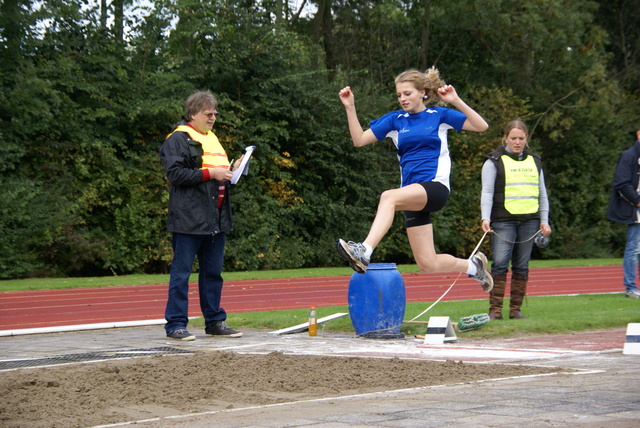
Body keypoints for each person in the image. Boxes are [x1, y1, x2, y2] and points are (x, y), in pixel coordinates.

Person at [335, 67, 493, 293]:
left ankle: (365, 251)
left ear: (423, 92)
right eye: (399, 95)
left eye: (407, 93)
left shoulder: (439, 115)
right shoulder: (395, 120)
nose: (402, 99)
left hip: (435, 188)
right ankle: (473, 266)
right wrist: (350, 108)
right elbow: (359, 140)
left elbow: (481, 126)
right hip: (412, 194)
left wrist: (455, 100)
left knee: (388, 197)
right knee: (427, 263)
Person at [159, 90, 244, 340]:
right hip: (188, 218)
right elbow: (175, 175)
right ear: (193, 114)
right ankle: (175, 325)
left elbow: (217, 175)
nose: (213, 117)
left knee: (213, 273)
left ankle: (214, 322)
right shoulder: (177, 139)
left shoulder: (212, 138)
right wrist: (212, 174)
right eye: (208, 113)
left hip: (215, 218)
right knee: (181, 273)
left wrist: (232, 171)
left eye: (215, 113)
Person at [480, 120, 552, 319]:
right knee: (500, 264)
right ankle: (495, 310)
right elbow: (486, 192)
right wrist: (485, 218)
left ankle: (515, 310)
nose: (517, 142)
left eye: (521, 138)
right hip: (503, 221)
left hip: (530, 220)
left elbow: (542, 194)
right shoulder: (493, 161)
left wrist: (544, 220)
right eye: (513, 138)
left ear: (526, 139)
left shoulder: (535, 161)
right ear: (505, 138)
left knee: (522, 265)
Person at [607, 129, 640, 299]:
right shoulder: (629, 156)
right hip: (635, 208)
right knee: (633, 247)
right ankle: (630, 287)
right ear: (638, 134)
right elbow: (621, 183)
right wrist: (637, 200)